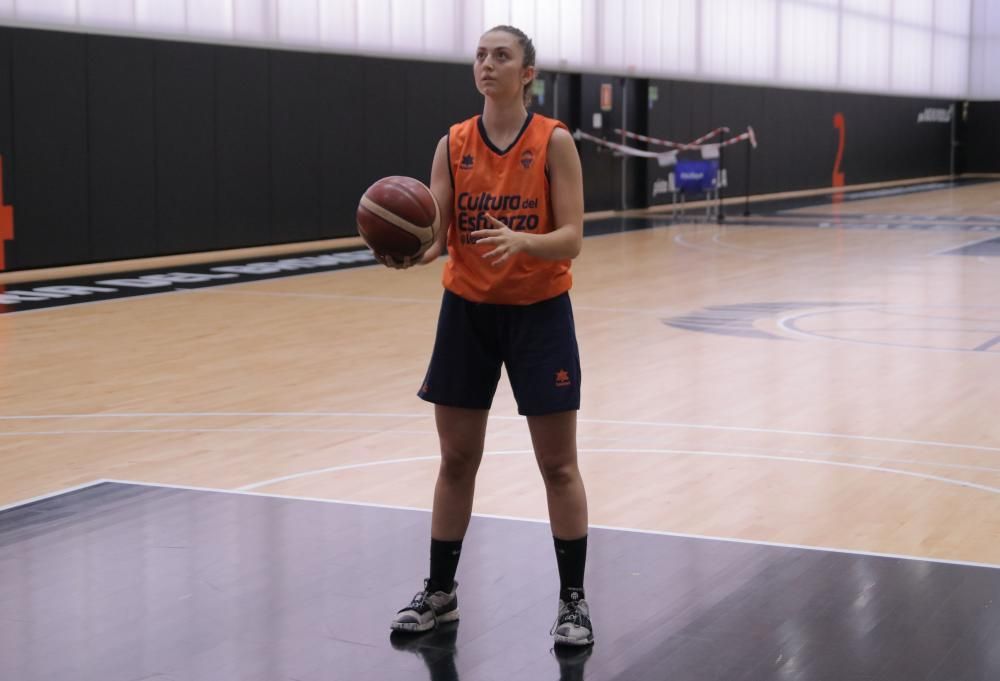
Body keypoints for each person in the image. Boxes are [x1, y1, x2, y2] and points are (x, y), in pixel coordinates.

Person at [381, 25, 592, 647]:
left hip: (540, 311)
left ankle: (573, 602)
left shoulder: (554, 142)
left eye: (501, 56)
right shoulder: (453, 143)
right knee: (455, 458)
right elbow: (438, 236)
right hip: (467, 312)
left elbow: (575, 235)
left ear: (527, 72)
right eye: (480, 55)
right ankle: (440, 592)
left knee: (557, 465)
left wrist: (524, 241)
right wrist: (407, 251)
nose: (487, 64)